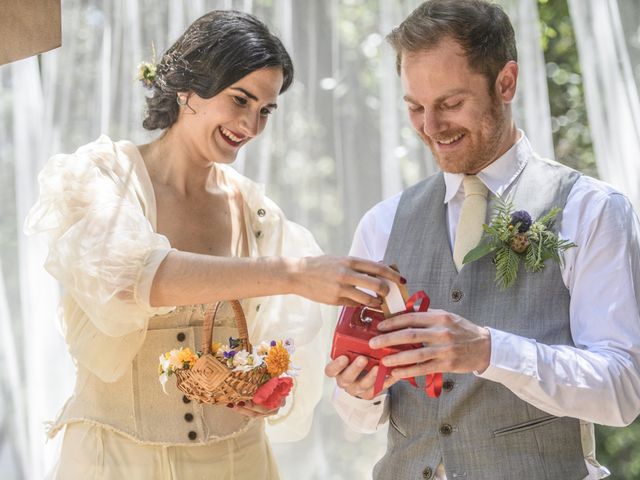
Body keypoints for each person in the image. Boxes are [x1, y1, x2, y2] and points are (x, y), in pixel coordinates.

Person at [25, 10, 402, 480]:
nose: (251, 124)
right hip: (114, 461)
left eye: (265, 110)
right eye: (240, 100)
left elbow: (282, 340)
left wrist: (263, 388)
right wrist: (296, 273)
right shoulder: (102, 179)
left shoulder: (256, 213)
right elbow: (134, 280)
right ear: (188, 89)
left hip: (236, 461)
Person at [325, 1, 640, 479]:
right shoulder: (381, 223)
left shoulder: (591, 210)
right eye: (415, 107)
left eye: (451, 104)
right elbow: (358, 414)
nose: (430, 128)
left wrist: (490, 351)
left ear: (506, 83)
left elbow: (621, 392)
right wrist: (358, 389)